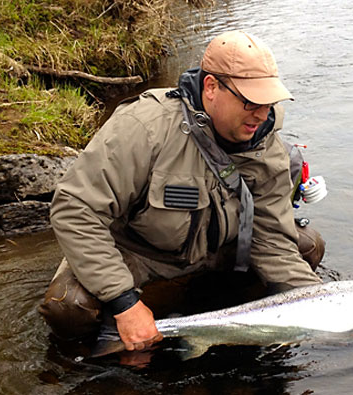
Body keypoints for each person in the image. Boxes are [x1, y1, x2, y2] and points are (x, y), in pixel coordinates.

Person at [39, 30, 325, 353]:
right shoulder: (145, 127)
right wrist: (124, 302)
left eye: (268, 102)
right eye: (250, 101)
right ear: (212, 88)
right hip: (141, 255)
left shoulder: (266, 144)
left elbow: (272, 241)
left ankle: (213, 318)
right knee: (68, 307)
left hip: (215, 252)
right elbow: (74, 208)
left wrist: (328, 312)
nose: (261, 114)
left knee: (307, 247)